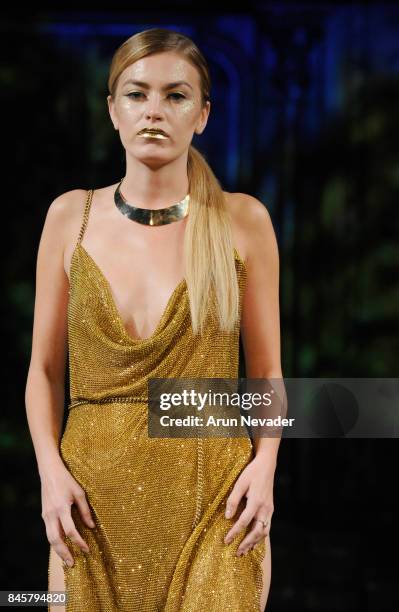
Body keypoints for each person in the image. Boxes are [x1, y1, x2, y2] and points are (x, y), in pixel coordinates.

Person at [25, 27, 282, 611]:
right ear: (112, 110)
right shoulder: (72, 217)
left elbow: (266, 375)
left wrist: (265, 466)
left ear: (203, 114)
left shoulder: (242, 221)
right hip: (87, 504)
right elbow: (42, 370)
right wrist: (49, 474)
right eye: (137, 95)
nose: (154, 112)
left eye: (176, 95)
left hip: (215, 499)